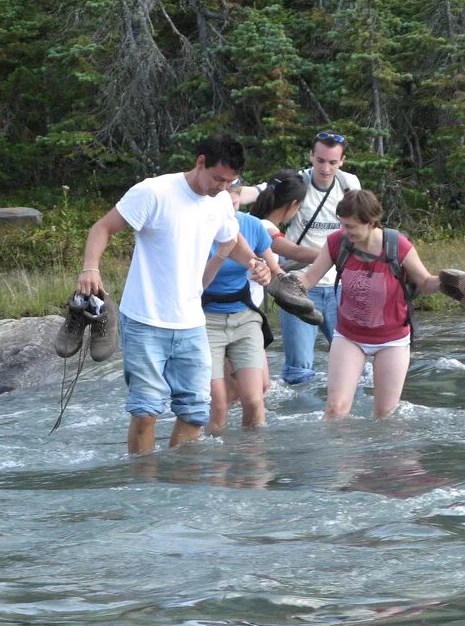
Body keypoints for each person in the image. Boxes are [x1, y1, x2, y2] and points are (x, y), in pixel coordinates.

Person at [74, 134, 271, 455]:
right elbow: (102, 228)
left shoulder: (220, 200)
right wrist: (90, 268)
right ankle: (145, 484)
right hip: (144, 321)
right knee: (146, 412)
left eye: (230, 182)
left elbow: (230, 240)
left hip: (192, 323)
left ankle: (179, 484)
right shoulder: (154, 191)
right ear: (200, 161)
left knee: (195, 413)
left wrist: (254, 262)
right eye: (217, 178)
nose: (221, 187)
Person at [298, 189, 465, 420]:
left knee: (385, 415)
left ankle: (383, 456)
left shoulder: (398, 246)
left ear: (371, 222)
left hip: (392, 339)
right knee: (335, 410)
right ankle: (341, 456)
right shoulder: (337, 242)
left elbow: (425, 283)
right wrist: (279, 279)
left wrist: (448, 282)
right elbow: (308, 280)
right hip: (349, 336)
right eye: (342, 224)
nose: (345, 232)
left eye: (351, 226)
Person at [241, 131, 361, 384]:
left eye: (332, 162)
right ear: (311, 157)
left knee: (355, 363)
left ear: (342, 161)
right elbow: (257, 194)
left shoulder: (350, 185)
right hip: (299, 285)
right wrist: (227, 197)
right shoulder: (296, 184)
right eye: (320, 161)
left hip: (340, 285)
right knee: (299, 371)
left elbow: (361, 227)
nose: (325, 168)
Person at [201, 171, 305, 432]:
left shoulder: (253, 226)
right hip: (205, 317)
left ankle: (252, 461)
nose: (228, 212)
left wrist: (269, 275)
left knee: (256, 397)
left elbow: (274, 273)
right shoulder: (195, 225)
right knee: (220, 403)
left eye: (234, 204)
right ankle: (216, 460)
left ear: (239, 201)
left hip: (245, 315)